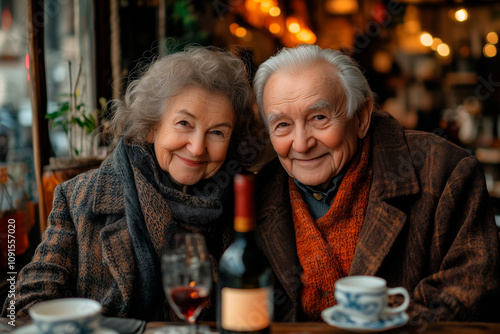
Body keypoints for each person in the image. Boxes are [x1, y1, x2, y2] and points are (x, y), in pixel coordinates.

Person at [2, 46, 256, 321]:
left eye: (217, 132)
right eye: (184, 123)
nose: (196, 148)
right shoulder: (77, 197)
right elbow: (24, 306)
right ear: (150, 127)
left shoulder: (248, 203)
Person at [252, 44, 500, 323]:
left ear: (361, 117)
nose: (301, 143)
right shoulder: (255, 196)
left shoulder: (445, 171)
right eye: (282, 125)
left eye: (319, 118)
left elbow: (470, 295)